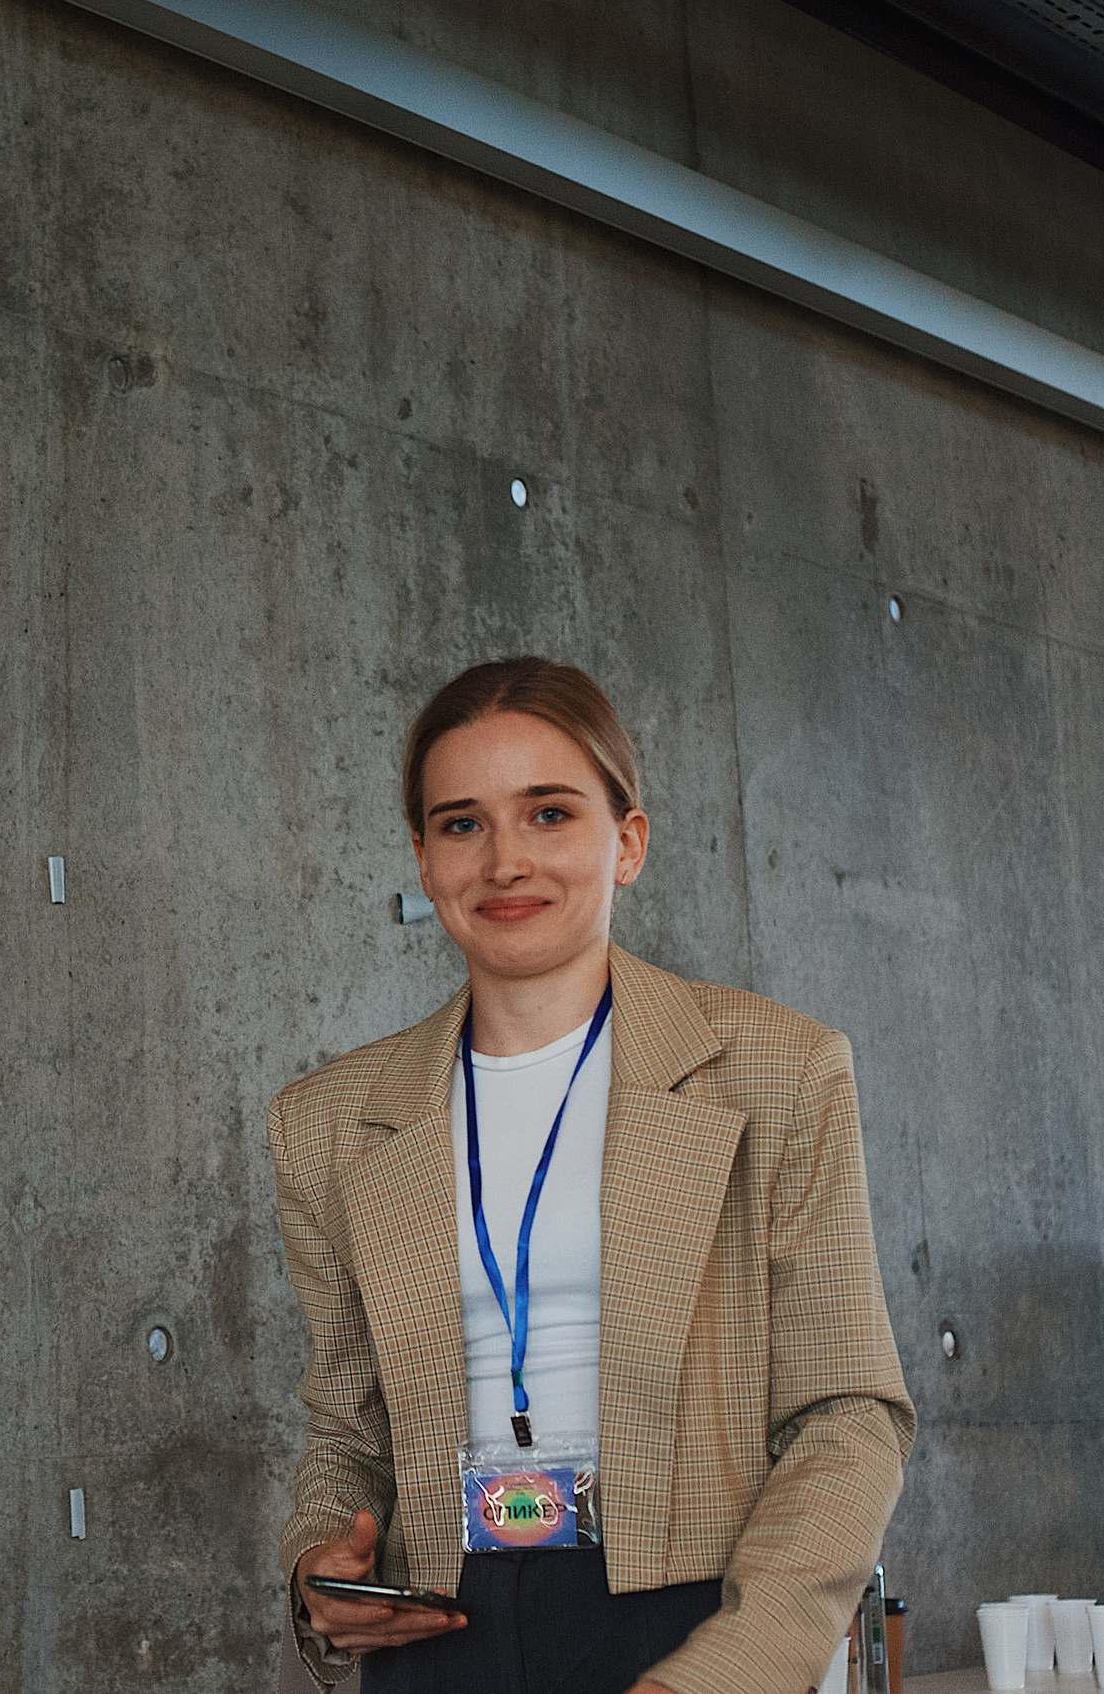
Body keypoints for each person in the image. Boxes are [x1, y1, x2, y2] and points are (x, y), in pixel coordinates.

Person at [268, 658, 914, 1694]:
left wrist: (727, 1670)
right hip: (438, 1627)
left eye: (549, 812)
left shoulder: (778, 1070)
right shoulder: (329, 1123)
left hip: (693, 1617)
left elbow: (849, 1414)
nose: (504, 859)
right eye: (461, 823)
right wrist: (316, 1562)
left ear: (627, 841)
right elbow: (348, 1425)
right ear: (425, 862)